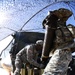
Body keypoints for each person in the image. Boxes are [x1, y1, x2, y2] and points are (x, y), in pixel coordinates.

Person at [41, 8, 75, 75]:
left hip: (62, 52)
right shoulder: (58, 27)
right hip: (62, 53)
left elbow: (69, 13)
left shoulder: (61, 25)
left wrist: (55, 14)